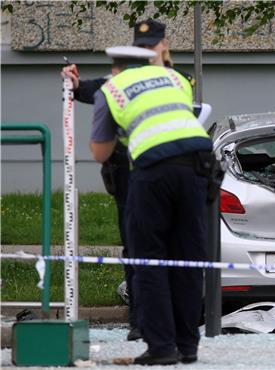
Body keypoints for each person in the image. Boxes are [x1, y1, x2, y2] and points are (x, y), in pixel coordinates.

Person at [60, 19, 195, 342]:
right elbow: (98, 89)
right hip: (129, 173)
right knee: (137, 249)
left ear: (165, 45)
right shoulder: (122, 78)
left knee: (175, 248)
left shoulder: (178, 79)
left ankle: (176, 330)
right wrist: (75, 85)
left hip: (167, 168)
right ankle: (142, 321)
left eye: (151, 45)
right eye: (141, 46)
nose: (146, 51)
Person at [90, 45, 214, 366]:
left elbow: (100, 153)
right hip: (200, 163)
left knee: (149, 258)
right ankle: (188, 346)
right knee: (187, 259)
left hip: (155, 169)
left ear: (115, 68)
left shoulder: (111, 89)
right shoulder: (174, 78)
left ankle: (161, 347)